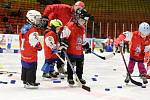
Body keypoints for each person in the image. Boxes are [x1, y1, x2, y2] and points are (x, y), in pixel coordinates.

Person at [41, 1, 85, 76]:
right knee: (51, 52)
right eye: (78, 8)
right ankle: (47, 70)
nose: (78, 10)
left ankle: (60, 67)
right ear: (74, 5)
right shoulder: (64, 8)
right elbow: (49, 7)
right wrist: (45, 16)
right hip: (52, 30)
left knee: (62, 49)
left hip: (62, 33)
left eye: (80, 9)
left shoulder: (76, 15)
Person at [60, 8, 91, 85]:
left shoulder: (82, 28)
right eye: (82, 20)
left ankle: (79, 77)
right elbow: (63, 37)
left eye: (84, 21)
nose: (83, 22)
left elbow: (82, 40)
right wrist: (63, 43)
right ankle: (70, 78)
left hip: (79, 52)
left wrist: (86, 46)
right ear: (76, 17)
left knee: (80, 65)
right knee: (71, 66)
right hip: (71, 51)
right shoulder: (69, 26)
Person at [19, 10, 42, 88]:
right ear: (32, 18)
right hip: (30, 52)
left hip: (24, 52)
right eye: (38, 19)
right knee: (32, 67)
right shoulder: (33, 30)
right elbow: (35, 42)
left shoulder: (24, 27)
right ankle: (30, 82)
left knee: (25, 66)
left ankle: (25, 80)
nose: (39, 21)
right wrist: (39, 46)